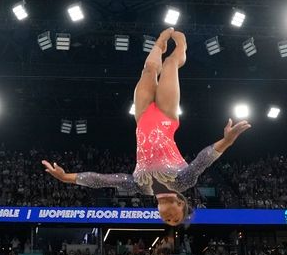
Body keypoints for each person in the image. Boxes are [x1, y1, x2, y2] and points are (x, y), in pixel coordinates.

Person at [42, 28, 251, 226]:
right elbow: (202, 160)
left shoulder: (141, 187)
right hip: (167, 117)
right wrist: (227, 141)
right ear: (181, 204)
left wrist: (66, 177)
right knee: (169, 64)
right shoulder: (182, 183)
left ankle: (159, 44)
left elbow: (103, 180)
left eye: (166, 221)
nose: (169, 219)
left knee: (149, 70)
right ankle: (181, 51)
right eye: (175, 219)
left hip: (142, 118)